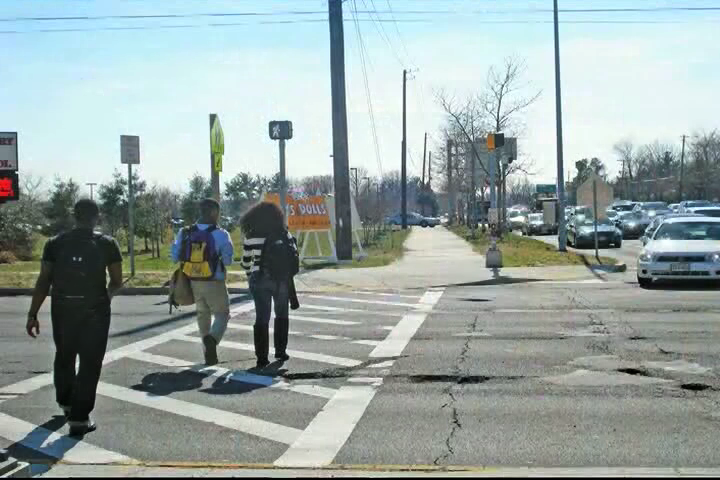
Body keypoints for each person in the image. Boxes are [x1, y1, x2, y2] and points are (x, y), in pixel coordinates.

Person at [26, 199, 123, 437]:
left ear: (74, 215)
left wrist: (33, 313)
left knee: (64, 356)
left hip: (63, 307)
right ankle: (79, 419)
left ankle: (66, 403)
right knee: (90, 363)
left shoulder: (55, 244)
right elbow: (117, 280)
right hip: (95, 311)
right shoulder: (107, 244)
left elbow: (44, 280)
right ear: (97, 217)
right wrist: (106, 296)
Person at [172, 198, 234, 366]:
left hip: (192, 280)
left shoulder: (185, 232)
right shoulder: (221, 234)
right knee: (222, 314)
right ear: (213, 212)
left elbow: (175, 256)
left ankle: (208, 355)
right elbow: (228, 261)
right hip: (214, 281)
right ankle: (212, 340)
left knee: (202, 315)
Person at [240, 202, 299, 369]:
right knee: (281, 315)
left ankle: (261, 358)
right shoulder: (284, 233)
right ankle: (281, 351)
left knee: (262, 317)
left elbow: (245, 262)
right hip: (281, 280)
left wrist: (250, 272)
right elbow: (293, 256)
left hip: (260, 280)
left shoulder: (251, 236)